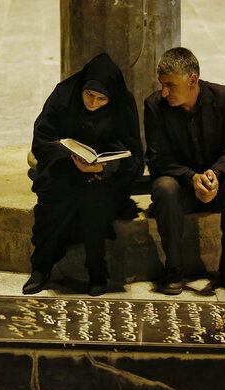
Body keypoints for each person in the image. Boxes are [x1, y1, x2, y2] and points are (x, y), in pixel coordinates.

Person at [23, 53, 143, 296]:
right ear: (82, 88)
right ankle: (41, 266)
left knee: (94, 198)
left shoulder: (123, 103)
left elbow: (134, 156)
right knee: (57, 199)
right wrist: (70, 158)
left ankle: (97, 269)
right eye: (89, 95)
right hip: (64, 171)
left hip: (104, 178)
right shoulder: (64, 94)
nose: (93, 103)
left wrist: (104, 168)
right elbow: (42, 140)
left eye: (101, 99)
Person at [145, 47, 225, 294]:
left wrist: (215, 174)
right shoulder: (154, 105)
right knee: (163, 187)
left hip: (218, 184)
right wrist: (191, 178)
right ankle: (173, 267)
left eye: (170, 85)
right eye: (162, 85)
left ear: (192, 80)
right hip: (182, 188)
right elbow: (157, 159)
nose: (164, 92)